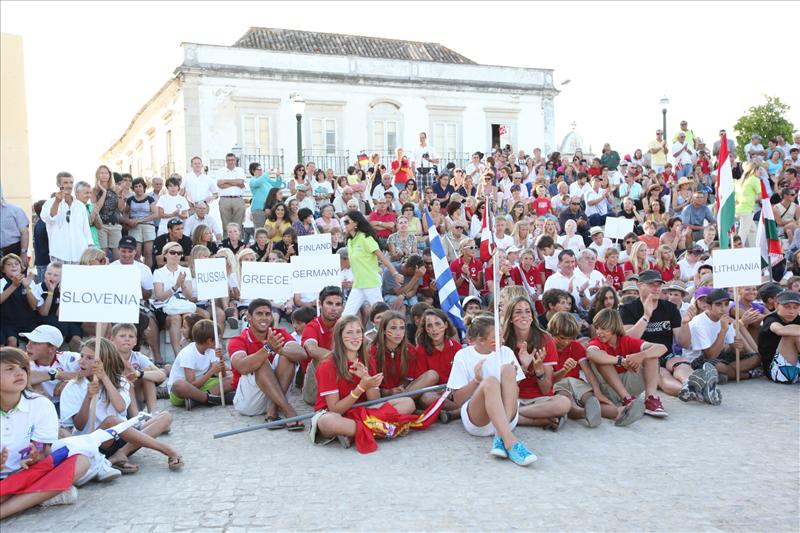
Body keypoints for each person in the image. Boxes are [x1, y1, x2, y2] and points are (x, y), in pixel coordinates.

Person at [59, 338, 180, 472]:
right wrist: (87, 398)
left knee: (165, 417)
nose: (81, 361)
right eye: (82, 356)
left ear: (104, 362)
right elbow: (79, 425)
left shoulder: (120, 381)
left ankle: (121, 453)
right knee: (112, 422)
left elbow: (121, 407)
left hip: (121, 437)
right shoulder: (73, 386)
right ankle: (166, 450)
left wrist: (104, 378)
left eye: (89, 358)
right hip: (95, 442)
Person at [0, 347, 91, 518]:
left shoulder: (40, 404)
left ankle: (5, 510)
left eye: (23, 368)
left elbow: (42, 448)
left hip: (26, 474)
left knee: (81, 461)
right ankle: (40, 496)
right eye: (10, 369)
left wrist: (36, 454)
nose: (19, 373)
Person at [308, 315, 416, 449]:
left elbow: (374, 400)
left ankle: (357, 432)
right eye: (349, 332)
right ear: (339, 336)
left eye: (358, 332)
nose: (355, 337)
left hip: (364, 410)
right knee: (327, 422)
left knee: (407, 402)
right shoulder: (327, 365)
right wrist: (360, 388)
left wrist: (367, 379)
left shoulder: (368, 359)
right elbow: (335, 408)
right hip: (337, 414)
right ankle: (384, 429)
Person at [445, 314, 537, 466]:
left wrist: (514, 375)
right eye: (497, 336)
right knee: (490, 382)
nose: (502, 340)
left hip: (506, 418)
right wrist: (476, 381)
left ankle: (501, 436)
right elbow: (457, 400)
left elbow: (515, 393)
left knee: (508, 369)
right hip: (478, 421)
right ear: (480, 340)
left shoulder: (506, 351)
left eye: (501, 335)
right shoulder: (463, 355)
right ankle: (511, 442)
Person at [229, 298, 307, 425]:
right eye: (259, 314)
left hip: (277, 395)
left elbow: (302, 354)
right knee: (261, 361)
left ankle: (273, 409)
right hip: (250, 402)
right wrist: (268, 348)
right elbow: (242, 367)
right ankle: (288, 410)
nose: (264, 318)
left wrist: (280, 351)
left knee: (287, 356)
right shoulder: (238, 340)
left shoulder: (279, 333)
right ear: (249, 317)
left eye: (267, 314)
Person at [586, 309, 668, 423]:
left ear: (614, 327)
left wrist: (641, 355)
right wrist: (620, 360)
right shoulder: (596, 342)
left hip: (629, 384)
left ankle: (650, 399)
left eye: (603, 328)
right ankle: (626, 399)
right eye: (597, 328)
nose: (599, 332)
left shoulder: (625, 340)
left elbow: (662, 348)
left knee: (651, 356)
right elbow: (591, 353)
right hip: (609, 389)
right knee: (602, 360)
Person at [502, 297, 572, 429]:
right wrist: (523, 367)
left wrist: (539, 370)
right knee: (492, 403)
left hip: (540, 401)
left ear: (533, 316)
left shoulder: (545, 340)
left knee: (564, 403)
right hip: (513, 398)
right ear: (510, 318)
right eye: (518, 312)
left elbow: (546, 389)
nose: (524, 315)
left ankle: (511, 416)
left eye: (528, 311)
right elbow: (506, 387)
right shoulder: (503, 342)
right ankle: (538, 420)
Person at [548, 312, 618, 425]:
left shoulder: (576, 346)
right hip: (558, 383)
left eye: (570, 338)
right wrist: (564, 370)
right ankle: (583, 413)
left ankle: (621, 412)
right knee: (566, 399)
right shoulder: (547, 347)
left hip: (576, 382)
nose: (566, 342)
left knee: (590, 398)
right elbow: (550, 379)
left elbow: (588, 372)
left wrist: (597, 392)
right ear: (552, 333)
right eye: (561, 338)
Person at [684, 289, 761, 382]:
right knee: (716, 366)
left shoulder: (725, 319)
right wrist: (723, 331)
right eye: (718, 304)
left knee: (756, 357)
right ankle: (747, 375)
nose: (724, 308)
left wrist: (738, 347)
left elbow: (736, 351)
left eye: (726, 304)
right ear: (708, 306)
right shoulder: (699, 323)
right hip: (697, 360)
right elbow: (710, 356)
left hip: (719, 357)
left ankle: (724, 373)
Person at [341, 210, 403, 317]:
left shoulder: (365, 238)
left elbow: (382, 258)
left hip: (371, 283)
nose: (344, 224)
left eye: (347, 222)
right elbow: (355, 264)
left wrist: (395, 274)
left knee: (383, 316)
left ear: (355, 223)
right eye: (343, 222)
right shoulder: (350, 241)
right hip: (358, 285)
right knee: (346, 316)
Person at [368, 311, 438, 397]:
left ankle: (403, 399)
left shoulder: (410, 350)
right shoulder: (372, 351)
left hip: (404, 392)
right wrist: (388, 392)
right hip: (381, 396)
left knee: (432, 375)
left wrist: (400, 388)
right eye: (393, 328)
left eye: (402, 328)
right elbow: (371, 386)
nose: (398, 333)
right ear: (384, 330)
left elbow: (408, 379)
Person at [167, 319, 233, 409]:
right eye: (218, 339)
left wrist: (220, 358)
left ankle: (198, 400)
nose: (219, 342)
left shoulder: (211, 350)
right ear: (210, 341)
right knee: (179, 385)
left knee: (232, 379)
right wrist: (212, 371)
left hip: (202, 387)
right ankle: (209, 399)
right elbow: (192, 385)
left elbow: (223, 377)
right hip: (184, 391)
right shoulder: (188, 353)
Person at [300, 286, 345, 404]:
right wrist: (343, 360)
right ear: (320, 304)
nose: (334, 308)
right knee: (321, 358)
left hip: (338, 375)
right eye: (329, 303)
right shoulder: (312, 327)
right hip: (314, 381)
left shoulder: (343, 324)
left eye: (338, 304)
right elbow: (312, 350)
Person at [110, 323, 166, 415]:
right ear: (112, 339)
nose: (127, 339)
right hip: (117, 402)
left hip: (137, 398)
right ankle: (135, 418)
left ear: (135, 341)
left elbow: (162, 375)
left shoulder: (138, 357)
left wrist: (138, 373)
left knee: (146, 373)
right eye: (122, 336)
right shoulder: (108, 357)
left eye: (131, 336)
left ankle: (152, 413)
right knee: (127, 379)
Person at [40, 172, 94, 264]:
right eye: (65, 183)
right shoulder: (49, 203)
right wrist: (57, 202)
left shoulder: (80, 205)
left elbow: (86, 229)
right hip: (59, 253)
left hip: (80, 253)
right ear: (58, 184)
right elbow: (49, 219)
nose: (69, 186)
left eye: (71, 182)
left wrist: (90, 247)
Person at [152, 241, 194, 357]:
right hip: (165, 308)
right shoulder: (158, 272)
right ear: (165, 254)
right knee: (175, 318)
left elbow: (189, 295)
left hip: (182, 305)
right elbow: (159, 296)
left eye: (179, 253)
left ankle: (190, 353)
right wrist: (175, 286)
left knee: (188, 318)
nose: (176, 255)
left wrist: (182, 284)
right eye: (172, 252)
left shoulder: (186, 271)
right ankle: (178, 355)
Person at [22, 325, 79, 408]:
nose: (28, 346)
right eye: (29, 341)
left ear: (52, 349)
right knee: (35, 388)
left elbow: (94, 370)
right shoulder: (22, 360)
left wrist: (71, 382)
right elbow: (24, 378)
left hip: (69, 404)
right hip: (40, 407)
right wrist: (58, 374)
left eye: (35, 342)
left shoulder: (69, 358)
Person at [758, 291, 800, 383]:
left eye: (795, 307)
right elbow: (780, 330)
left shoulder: (797, 318)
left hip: (796, 367)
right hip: (777, 371)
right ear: (776, 305)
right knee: (791, 334)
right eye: (787, 307)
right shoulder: (770, 319)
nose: (791, 311)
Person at [0, 254, 37, 347]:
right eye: (9, 264)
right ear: (3, 269)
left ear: (21, 268)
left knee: (37, 342)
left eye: (16, 264)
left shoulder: (29, 281)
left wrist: (27, 287)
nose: (13, 266)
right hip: (8, 322)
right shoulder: (2, 282)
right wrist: (14, 286)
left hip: (28, 321)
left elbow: (34, 306)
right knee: (11, 340)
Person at [124, 178, 158, 267]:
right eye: (136, 186)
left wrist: (142, 220)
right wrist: (128, 222)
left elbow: (156, 214)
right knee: (136, 253)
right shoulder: (130, 199)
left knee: (148, 253)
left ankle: (148, 273)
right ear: (133, 188)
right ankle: (139, 272)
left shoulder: (150, 199)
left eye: (140, 186)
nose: (138, 188)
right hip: (134, 227)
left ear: (144, 187)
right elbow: (125, 212)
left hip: (148, 225)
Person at [215, 153, 247, 234]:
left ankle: (238, 243)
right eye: (228, 160)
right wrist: (235, 182)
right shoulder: (220, 171)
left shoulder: (240, 170)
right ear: (226, 161)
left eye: (232, 160)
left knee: (238, 225)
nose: (230, 162)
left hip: (238, 199)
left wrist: (226, 181)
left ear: (235, 160)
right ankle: (226, 244)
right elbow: (220, 185)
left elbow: (240, 182)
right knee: (226, 224)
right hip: (224, 199)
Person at [0, 194, 29, 263]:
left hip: (14, 251)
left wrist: (24, 253)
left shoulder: (15, 210)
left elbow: (24, 232)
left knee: (17, 273)